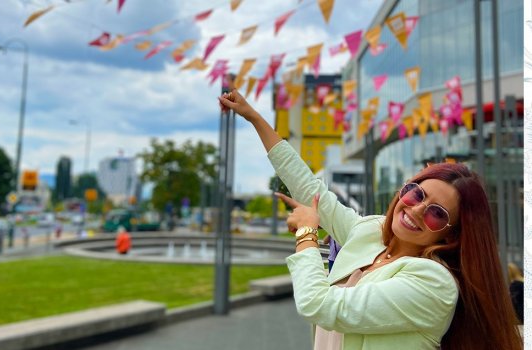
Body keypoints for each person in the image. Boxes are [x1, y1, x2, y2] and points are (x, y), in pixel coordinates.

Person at [219, 90, 521, 350]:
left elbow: (320, 305)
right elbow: (310, 188)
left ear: (450, 235)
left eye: (436, 213)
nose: (416, 209)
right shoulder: (371, 232)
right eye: (416, 194)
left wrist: (307, 233)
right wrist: (254, 117)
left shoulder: (434, 282)